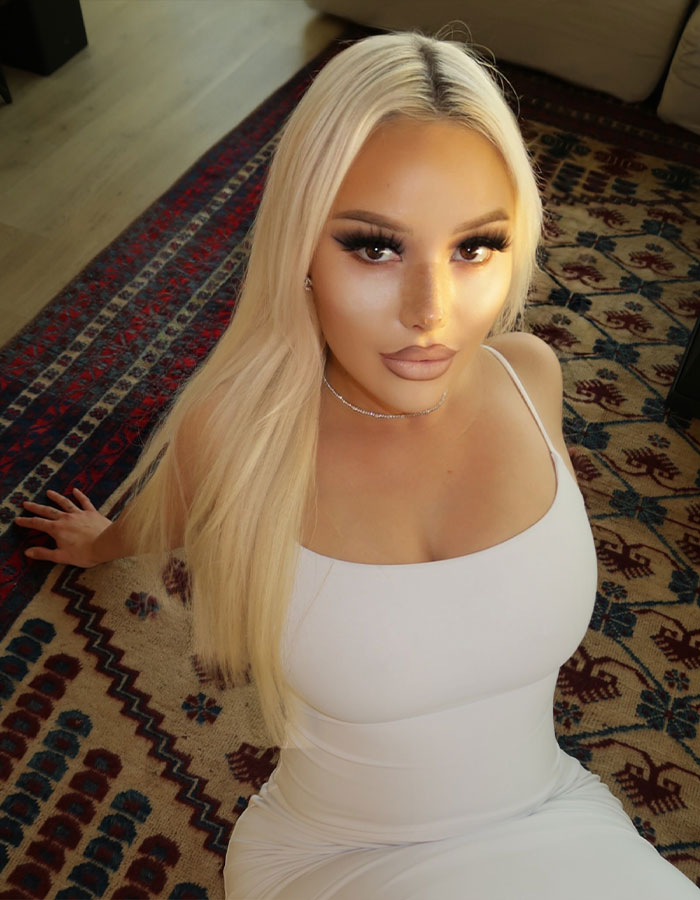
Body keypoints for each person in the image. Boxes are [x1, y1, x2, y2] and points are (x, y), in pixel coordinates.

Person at [14, 31, 700, 900]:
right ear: (300, 247)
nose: (432, 312)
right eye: (376, 247)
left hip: (560, 817)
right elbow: (174, 514)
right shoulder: (240, 428)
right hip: (343, 856)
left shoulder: (531, 374)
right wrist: (102, 544)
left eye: (475, 246)